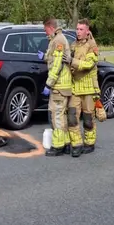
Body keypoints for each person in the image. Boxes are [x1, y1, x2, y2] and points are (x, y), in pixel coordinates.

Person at [37, 17, 73, 156]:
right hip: (62, 85)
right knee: (61, 116)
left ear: (51, 27)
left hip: (59, 85)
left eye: (45, 29)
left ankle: (58, 146)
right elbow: (54, 57)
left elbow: (57, 65)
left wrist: (48, 84)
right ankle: (66, 144)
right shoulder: (57, 39)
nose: (45, 32)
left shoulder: (58, 40)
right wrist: (44, 57)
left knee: (56, 116)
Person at [68, 19, 99, 156]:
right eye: (77, 29)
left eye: (81, 29)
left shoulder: (92, 46)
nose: (78, 32)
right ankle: (76, 145)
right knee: (72, 117)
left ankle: (89, 143)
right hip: (75, 88)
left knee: (88, 118)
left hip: (88, 89)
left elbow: (88, 65)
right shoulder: (73, 45)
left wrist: (71, 61)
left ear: (87, 31)